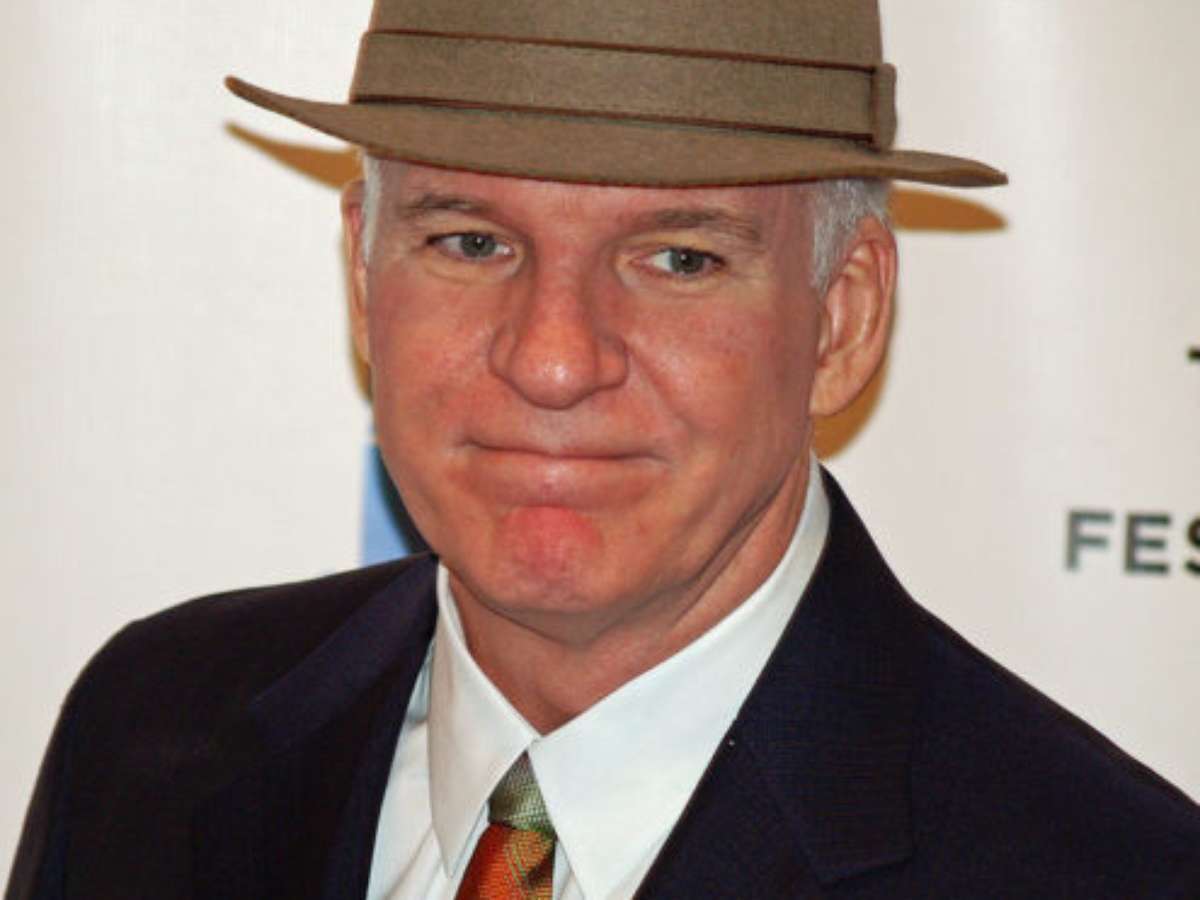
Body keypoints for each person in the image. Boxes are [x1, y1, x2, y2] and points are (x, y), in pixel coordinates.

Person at [7, 0, 1199, 897]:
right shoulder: (154, 736)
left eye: (679, 259)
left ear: (841, 319)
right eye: (471, 242)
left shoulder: (1106, 870)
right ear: (364, 275)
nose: (553, 360)